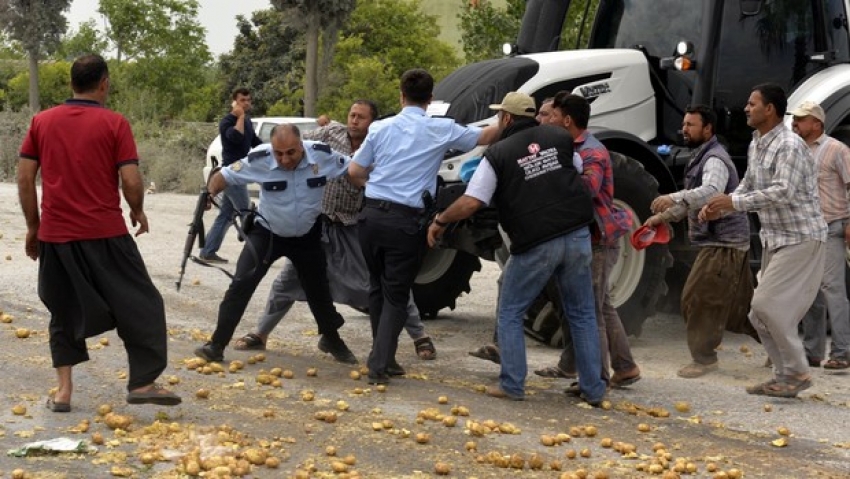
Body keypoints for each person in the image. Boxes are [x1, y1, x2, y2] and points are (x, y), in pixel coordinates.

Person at [17, 54, 181, 411]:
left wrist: (34, 227)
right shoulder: (115, 123)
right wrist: (137, 209)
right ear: (104, 83)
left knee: (62, 309)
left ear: (71, 84)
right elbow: (131, 178)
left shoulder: (42, 122)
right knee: (142, 303)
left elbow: (25, 178)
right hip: (105, 233)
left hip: (57, 237)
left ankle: (63, 393)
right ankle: (142, 382)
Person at [428, 91, 606, 405]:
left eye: (499, 116)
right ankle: (593, 389)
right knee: (582, 314)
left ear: (507, 118)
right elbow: (575, 172)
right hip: (577, 234)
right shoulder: (559, 137)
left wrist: (441, 220)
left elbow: (473, 201)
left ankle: (512, 384)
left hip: (538, 241)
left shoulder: (497, 154)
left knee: (511, 311)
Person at [233, 101, 437, 364]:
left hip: (353, 225)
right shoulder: (330, 134)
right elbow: (296, 145)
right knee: (288, 282)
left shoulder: (378, 144)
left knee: (386, 282)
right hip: (319, 224)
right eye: (352, 115)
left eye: (361, 117)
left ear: (371, 123)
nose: (354, 121)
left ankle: (419, 335)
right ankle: (261, 333)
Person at [348, 68, 502, 384]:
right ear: (430, 100)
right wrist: (510, 116)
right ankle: (379, 365)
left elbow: (354, 169)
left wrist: (374, 187)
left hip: (372, 217)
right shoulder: (439, 128)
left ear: (401, 95)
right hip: (405, 222)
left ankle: (385, 358)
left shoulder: (379, 128)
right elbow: (486, 136)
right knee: (396, 293)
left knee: (378, 288)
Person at [194, 124, 357, 365]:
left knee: (318, 290)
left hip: (306, 234)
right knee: (241, 284)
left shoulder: (322, 156)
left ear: (301, 145)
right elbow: (224, 175)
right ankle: (217, 344)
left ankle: (332, 339)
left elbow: (354, 168)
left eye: (291, 152)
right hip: (268, 233)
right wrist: (209, 194)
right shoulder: (260, 158)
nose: (284, 159)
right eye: (279, 153)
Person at [702, 83, 827, 398]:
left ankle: (797, 371)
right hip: (775, 238)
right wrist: (722, 204)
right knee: (758, 314)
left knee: (767, 304)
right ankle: (784, 376)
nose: (746, 108)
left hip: (801, 236)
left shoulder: (790, 145)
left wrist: (733, 204)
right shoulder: (757, 143)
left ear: (769, 109)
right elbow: (747, 185)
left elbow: (783, 192)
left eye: (752, 103)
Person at [534, 92, 640, 388]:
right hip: (593, 237)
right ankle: (625, 367)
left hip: (598, 239)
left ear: (566, 120)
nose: (545, 120)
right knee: (602, 305)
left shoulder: (591, 152)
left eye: (551, 115)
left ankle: (597, 378)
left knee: (591, 311)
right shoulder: (570, 146)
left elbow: (589, 188)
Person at [646, 105, 757, 378]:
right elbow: (695, 201)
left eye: (691, 125)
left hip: (723, 243)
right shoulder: (701, 157)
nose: (684, 129)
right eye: (684, 124)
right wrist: (664, 217)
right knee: (740, 310)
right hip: (724, 242)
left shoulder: (714, 159)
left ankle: (704, 359)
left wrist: (672, 197)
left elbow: (710, 192)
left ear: (708, 129)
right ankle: (779, 346)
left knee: (696, 299)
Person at [790, 100, 850, 370]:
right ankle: (812, 352)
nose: (796, 123)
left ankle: (842, 352)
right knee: (809, 293)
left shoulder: (836, 149)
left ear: (817, 124)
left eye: (802, 119)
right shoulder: (799, 151)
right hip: (808, 229)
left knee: (833, 290)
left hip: (831, 227)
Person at [199, 88, 261, 264]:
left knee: (226, 214)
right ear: (234, 102)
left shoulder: (248, 122)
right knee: (246, 213)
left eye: (248, 100)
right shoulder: (227, 121)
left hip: (242, 170)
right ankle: (257, 253)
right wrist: (239, 117)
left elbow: (255, 142)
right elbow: (235, 137)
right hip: (231, 173)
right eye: (242, 100)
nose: (246, 103)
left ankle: (208, 251)